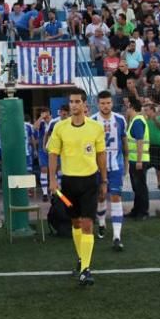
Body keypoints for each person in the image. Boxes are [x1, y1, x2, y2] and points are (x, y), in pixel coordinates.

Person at [47, 89, 106, 287]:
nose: (74, 105)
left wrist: (104, 181)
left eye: (77, 101)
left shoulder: (96, 128)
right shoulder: (59, 128)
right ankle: (82, 260)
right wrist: (52, 180)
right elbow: (53, 154)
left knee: (88, 223)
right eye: (71, 102)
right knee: (76, 223)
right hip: (68, 183)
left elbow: (101, 155)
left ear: (84, 104)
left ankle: (86, 270)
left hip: (90, 182)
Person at [90, 91, 128, 250]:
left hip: (115, 166)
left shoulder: (120, 120)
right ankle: (101, 223)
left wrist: (126, 163)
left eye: (108, 103)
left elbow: (124, 142)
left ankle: (117, 236)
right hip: (96, 167)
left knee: (116, 197)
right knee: (100, 196)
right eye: (102, 103)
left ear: (112, 103)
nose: (105, 106)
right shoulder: (91, 121)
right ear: (98, 104)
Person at [144, 103, 160, 190]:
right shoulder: (144, 120)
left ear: (153, 110)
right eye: (145, 110)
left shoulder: (159, 118)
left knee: (159, 167)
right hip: (147, 146)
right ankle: (144, 183)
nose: (145, 112)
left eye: (147, 110)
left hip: (159, 146)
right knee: (145, 166)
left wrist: (155, 119)